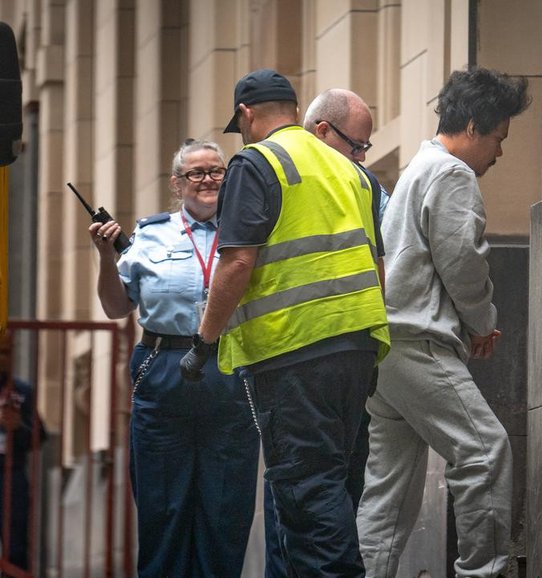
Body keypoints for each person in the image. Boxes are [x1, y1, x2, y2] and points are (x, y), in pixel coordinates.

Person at [179, 69, 389, 578]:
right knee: (337, 485)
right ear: (296, 111)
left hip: (294, 352)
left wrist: (204, 341)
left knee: (307, 491)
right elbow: (377, 263)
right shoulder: (353, 171)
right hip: (358, 349)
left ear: (246, 115)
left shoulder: (257, 162)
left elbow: (237, 261)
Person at [356, 67, 530, 578]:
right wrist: (482, 323)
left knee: (388, 492)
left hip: (386, 348)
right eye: (499, 138)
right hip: (418, 341)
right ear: (473, 126)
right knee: (485, 452)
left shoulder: (417, 168)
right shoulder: (452, 174)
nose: (500, 152)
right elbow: (463, 261)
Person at [89, 139, 260, 578]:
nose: (207, 180)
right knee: (162, 503)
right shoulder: (150, 235)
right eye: (195, 173)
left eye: (216, 171)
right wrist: (106, 257)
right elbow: (115, 307)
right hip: (164, 366)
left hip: (229, 366)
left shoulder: (249, 230)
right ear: (176, 184)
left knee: (226, 505)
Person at [302, 87, 384, 511]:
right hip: (300, 357)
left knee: (337, 481)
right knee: (309, 485)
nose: (362, 157)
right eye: (357, 146)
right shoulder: (281, 181)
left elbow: (383, 261)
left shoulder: (365, 185)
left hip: (351, 355)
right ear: (322, 131)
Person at [0, 333, 46, 572]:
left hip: (11, 475)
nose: (2, 359)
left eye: (6, 352)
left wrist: (18, 427)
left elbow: (40, 436)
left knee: (15, 547)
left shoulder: (22, 390)